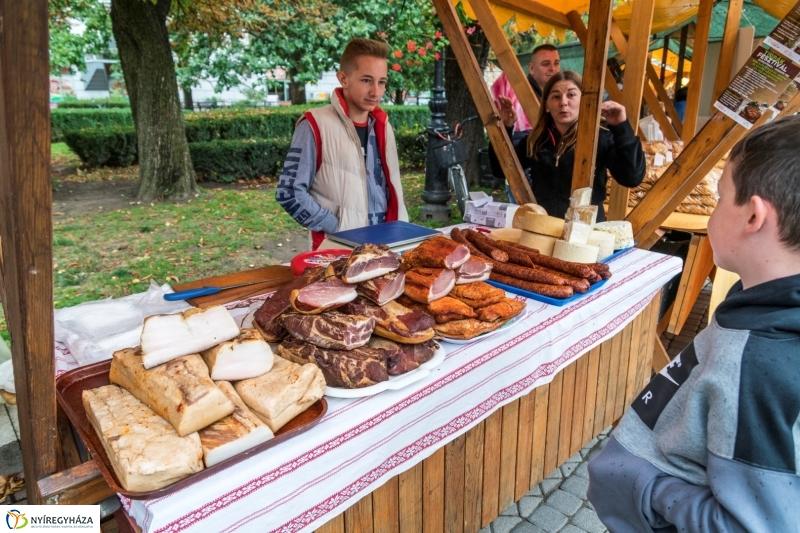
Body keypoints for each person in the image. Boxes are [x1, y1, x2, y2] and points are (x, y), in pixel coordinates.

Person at [587, 114, 800, 532]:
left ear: (753, 216)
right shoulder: (759, 310)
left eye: (721, 198)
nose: (713, 213)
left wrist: (648, 488)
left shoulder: (758, 364)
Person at [275, 38, 408, 250]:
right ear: (343, 78)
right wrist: (336, 228)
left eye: (381, 82)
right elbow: (289, 192)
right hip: (337, 252)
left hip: (389, 247)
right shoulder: (314, 125)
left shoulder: (384, 126)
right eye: (366, 80)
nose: (376, 91)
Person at [490, 70, 645, 221]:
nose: (563, 102)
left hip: (585, 233)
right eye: (556, 97)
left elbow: (631, 177)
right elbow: (501, 170)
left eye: (571, 95)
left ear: (584, 101)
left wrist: (621, 127)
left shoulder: (600, 138)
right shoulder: (535, 139)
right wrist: (505, 127)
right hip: (543, 229)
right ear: (547, 106)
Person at [490, 44, 562, 137]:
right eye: (546, 64)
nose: (553, 68)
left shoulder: (560, 93)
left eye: (556, 63)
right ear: (531, 69)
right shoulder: (517, 95)